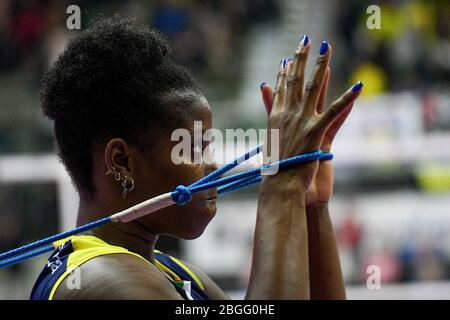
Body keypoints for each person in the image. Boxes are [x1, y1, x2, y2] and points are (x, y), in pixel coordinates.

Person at [30, 16, 362, 300]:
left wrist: (311, 206)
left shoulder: (172, 272)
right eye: (192, 149)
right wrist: (283, 188)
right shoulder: (100, 281)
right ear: (122, 161)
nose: (214, 166)